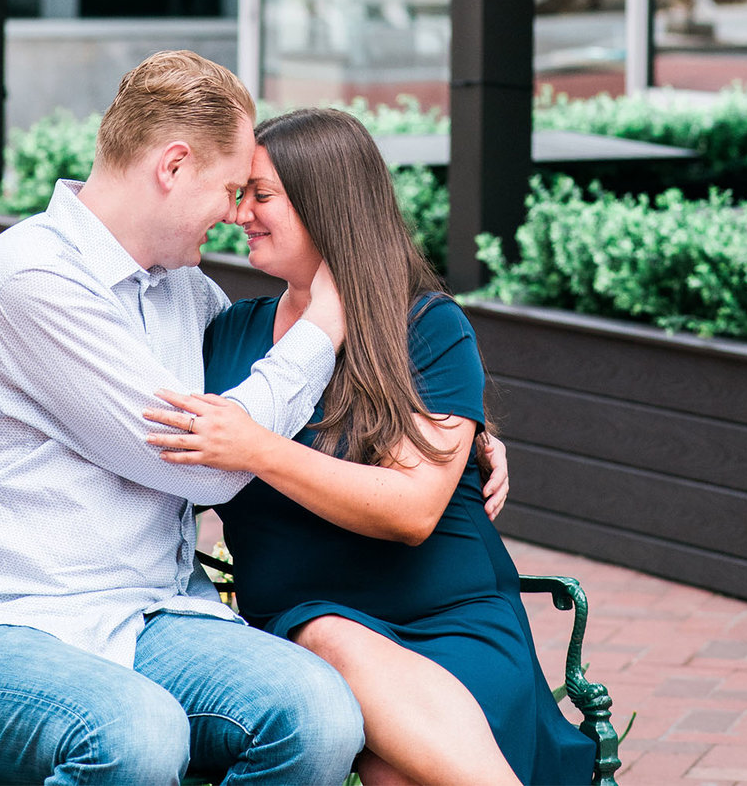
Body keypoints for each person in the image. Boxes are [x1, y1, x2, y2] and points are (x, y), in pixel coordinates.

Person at [0, 50, 369, 786]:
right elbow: (202, 461)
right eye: (231, 188)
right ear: (173, 166)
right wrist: (320, 331)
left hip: (148, 618)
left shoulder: (186, 292)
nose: (239, 213)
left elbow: (272, 402)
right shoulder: (30, 280)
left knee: (317, 716)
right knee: (136, 735)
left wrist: (461, 439)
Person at [149, 108, 598, 785]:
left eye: (261, 195)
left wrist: (255, 447)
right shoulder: (226, 337)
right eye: (239, 194)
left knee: (396, 771)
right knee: (332, 642)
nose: (239, 214)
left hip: (449, 623)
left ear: (326, 205)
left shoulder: (424, 326)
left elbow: (412, 510)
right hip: (301, 634)